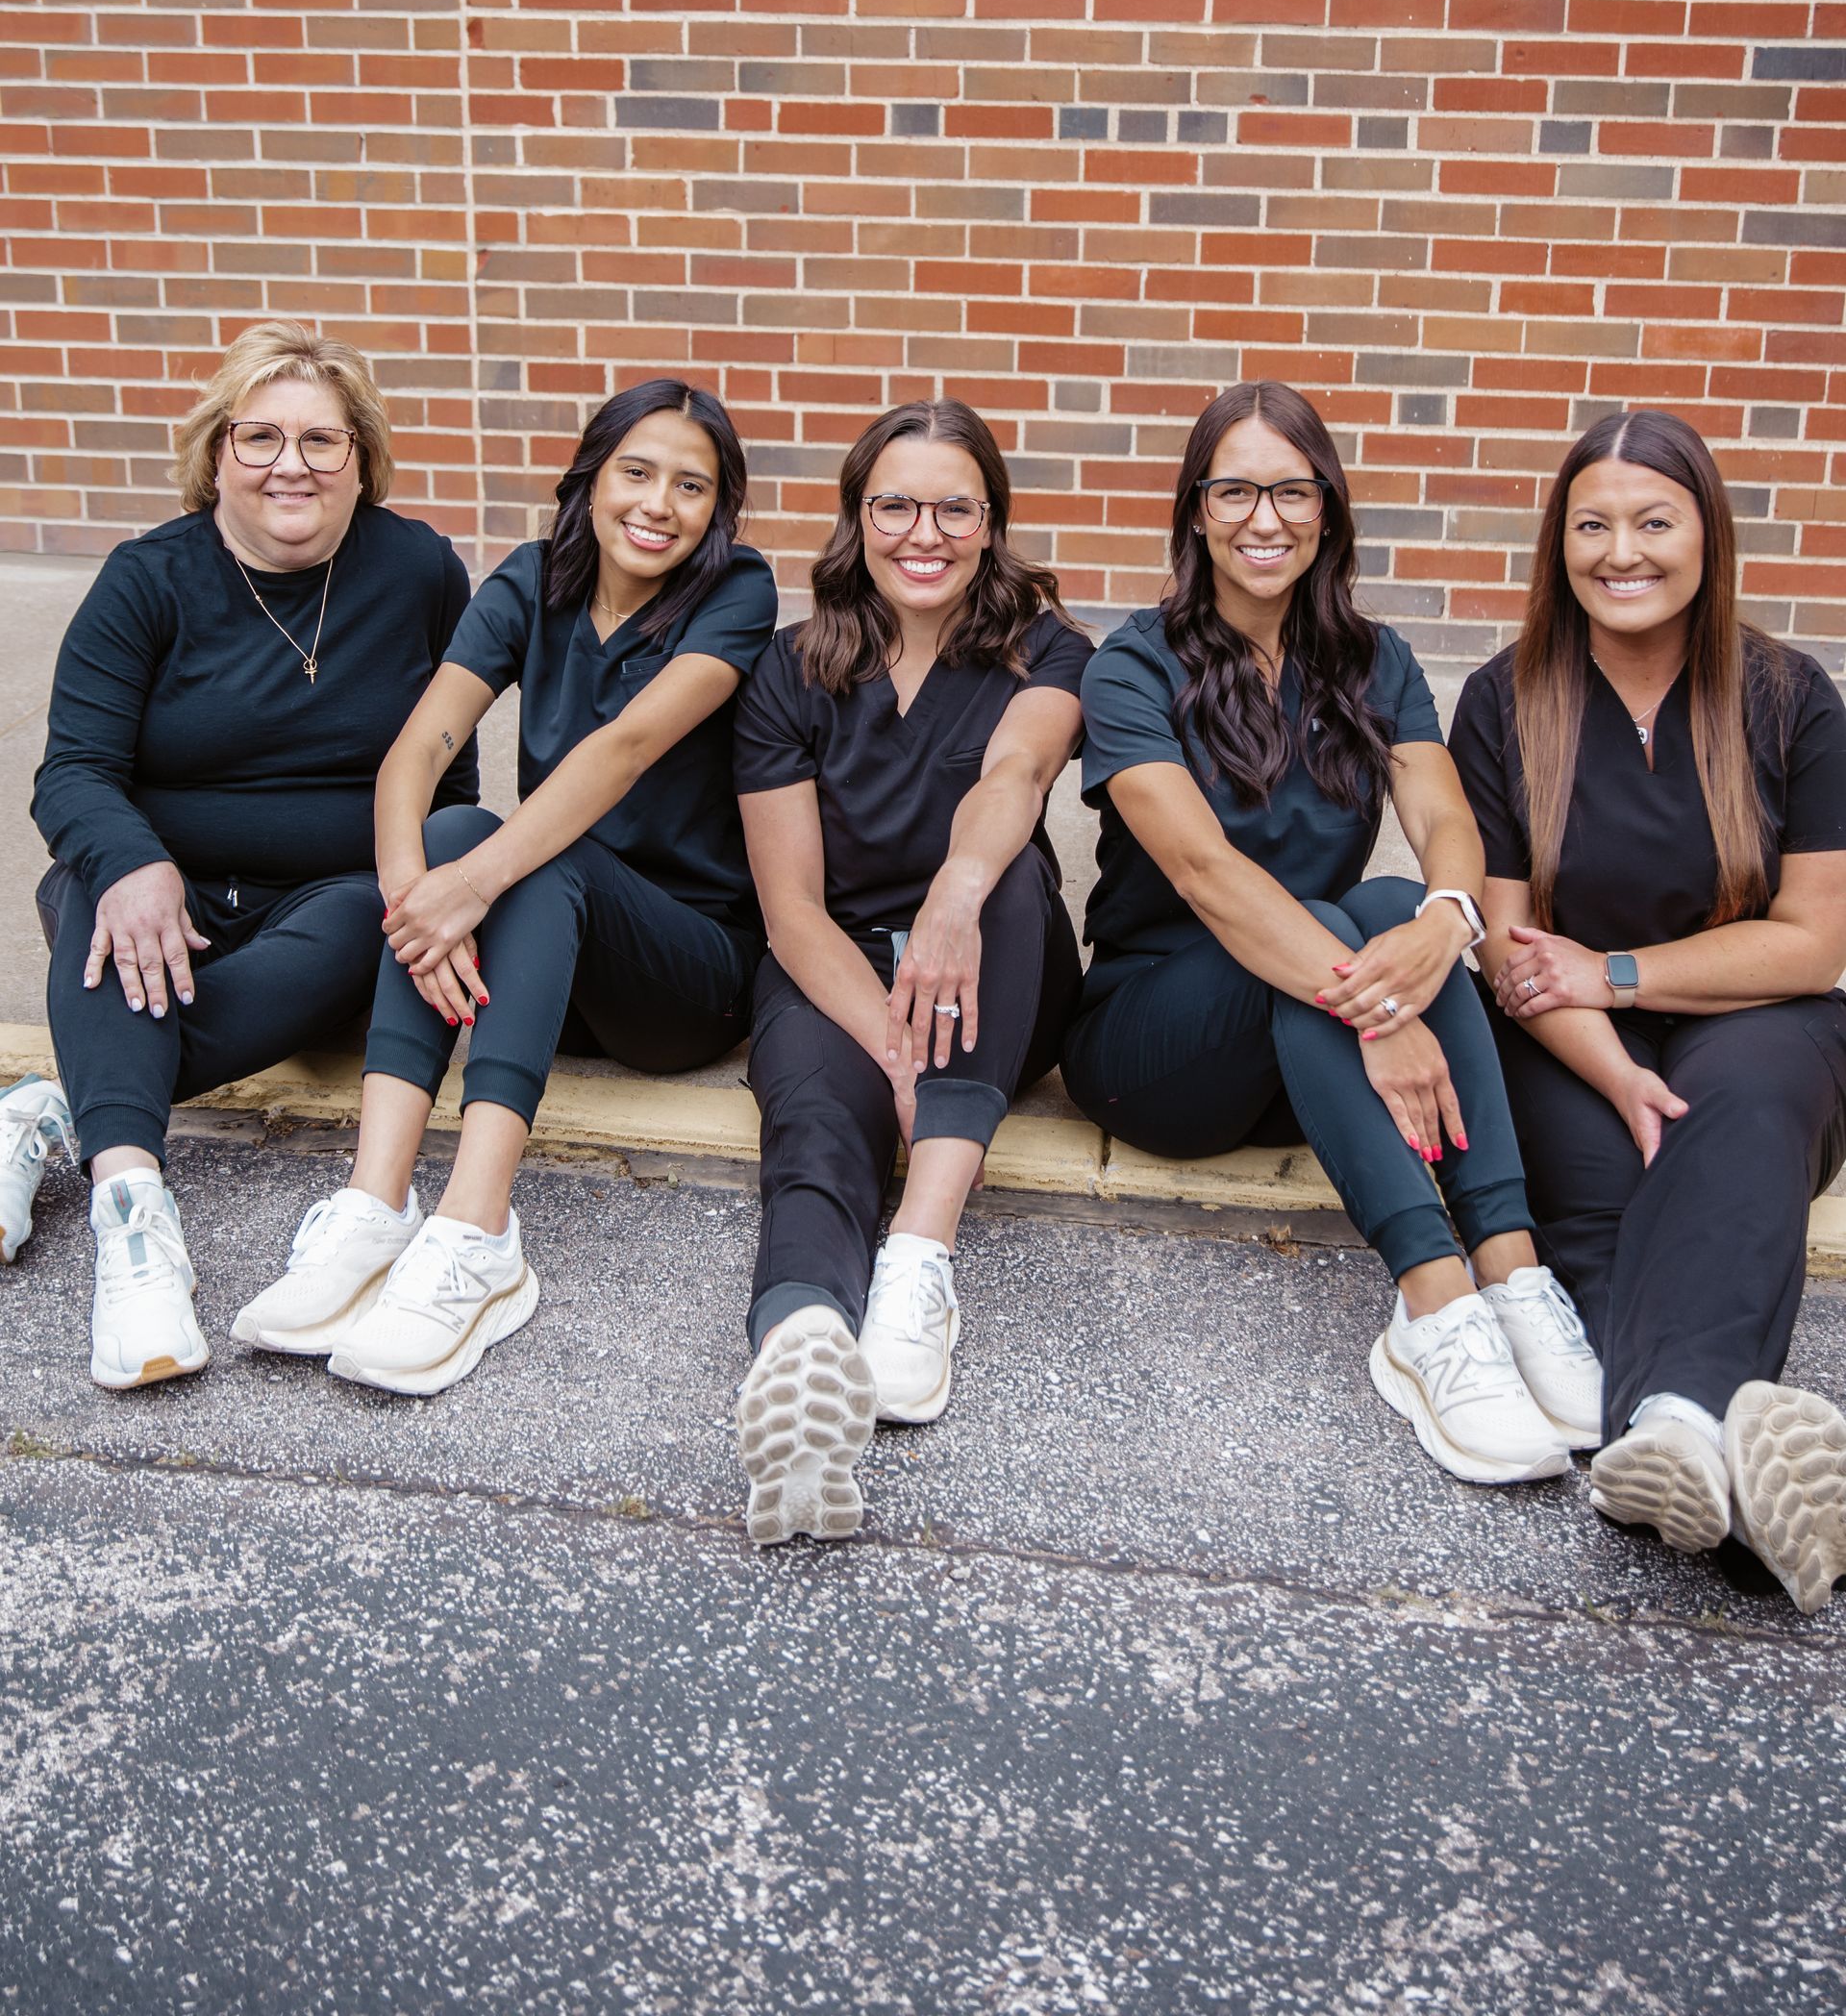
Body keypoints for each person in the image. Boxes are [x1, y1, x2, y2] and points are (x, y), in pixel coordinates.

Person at [1061, 382, 1603, 1490]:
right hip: (1155, 1043)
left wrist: (1451, 918)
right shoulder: (1130, 663)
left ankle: (1510, 1271)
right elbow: (1210, 877)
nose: (1266, 518)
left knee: (1404, 907)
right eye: (1236, 490)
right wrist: (1384, 1010)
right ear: (1197, 511)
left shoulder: (1373, 658)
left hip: (1312, 1031)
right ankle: (1433, 1310)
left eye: (1292, 490)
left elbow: (1446, 819)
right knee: (1320, 913)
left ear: (1328, 508)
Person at [233, 381, 777, 1397]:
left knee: (524, 849)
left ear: (719, 510)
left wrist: (470, 884)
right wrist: (416, 901)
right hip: (547, 964)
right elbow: (415, 752)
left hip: (683, 978)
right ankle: (374, 1205)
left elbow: (626, 747)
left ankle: (480, 1232)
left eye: (692, 486)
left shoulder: (738, 594)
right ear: (590, 480)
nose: (659, 504)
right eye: (637, 472)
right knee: (446, 826)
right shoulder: (531, 580)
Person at [22, 321, 476, 1387]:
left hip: (331, 899)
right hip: (161, 899)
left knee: (369, 922)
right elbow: (72, 771)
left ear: (361, 457)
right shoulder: (148, 581)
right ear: (214, 452)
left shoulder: (417, 571)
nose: (290, 466)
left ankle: (64, 1106)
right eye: (258, 437)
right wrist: (134, 863)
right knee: (99, 907)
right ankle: (133, 1228)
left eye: (322, 441)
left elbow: (449, 786)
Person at [1449, 410, 1846, 1613]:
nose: (1622, 551)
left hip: (1757, 1015)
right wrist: (1616, 1067)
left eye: (1654, 521)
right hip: (1568, 1045)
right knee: (1620, 1202)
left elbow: (1816, 939)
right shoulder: (1504, 701)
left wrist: (1618, 974)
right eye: (1592, 526)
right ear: (1558, 546)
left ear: (1708, 536)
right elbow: (1518, 959)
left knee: (1745, 1109)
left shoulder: (1789, 697)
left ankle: (1675, 1420)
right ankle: (1718, 1462)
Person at [729, 399, 1090, 1545]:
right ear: (857, 517)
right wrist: (893, 1047)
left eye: (953, 507)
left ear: (991, 525)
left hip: (1000, 965)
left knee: (1011, 884)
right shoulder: (789, 672)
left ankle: (918, 1263)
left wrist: (953, 893)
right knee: (814, 1125)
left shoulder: (1049, 648)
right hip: (836, 964)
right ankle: (800, 1353)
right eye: (893, 504)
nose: (921, 531)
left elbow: (1018, 773)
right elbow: (790, 911)